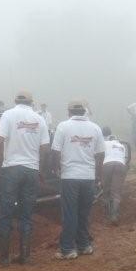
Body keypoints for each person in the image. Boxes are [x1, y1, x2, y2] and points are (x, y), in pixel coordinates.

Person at [0, 90, 50, 266]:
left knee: (5, 213)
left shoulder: (8, 115)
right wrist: (40, 169)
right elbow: (45, 148)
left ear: (15, 100)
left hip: (11, 170)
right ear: (32, 102)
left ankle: (4, 258)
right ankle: (25, 256)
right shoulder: (39, 119)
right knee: (26, 214)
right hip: (31, 170)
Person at [51, 101, 105, 259]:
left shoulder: (63, 126)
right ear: (84, 112)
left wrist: (56, 169)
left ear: (69, 112)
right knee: (84, 212)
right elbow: (100, 154)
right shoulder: (95, 128)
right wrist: (98, 176)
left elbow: (55, 151)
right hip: (88, 177)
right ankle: (84, 245)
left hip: (69, 177)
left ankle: (68, 249)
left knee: (69, 213)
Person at [101, 126, 131, 225]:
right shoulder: (120, 145)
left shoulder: (103, 143)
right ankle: (114, 215)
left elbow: (98, 156)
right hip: (120, 165)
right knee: (116, 192)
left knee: (106, 189)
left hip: (107, 165)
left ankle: (105, 212)